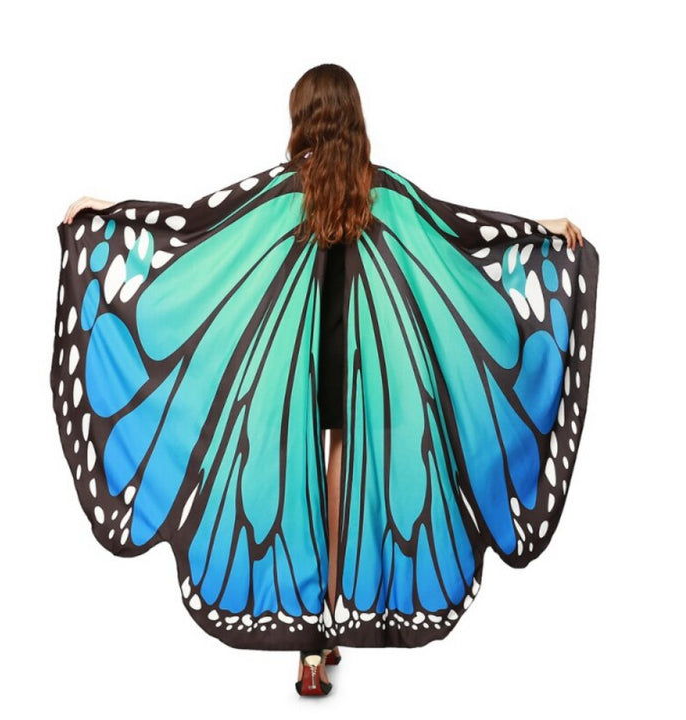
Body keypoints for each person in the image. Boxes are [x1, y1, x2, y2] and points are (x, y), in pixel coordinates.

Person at [57, 63, 595, 697]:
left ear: (304, 119)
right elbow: (463, 231)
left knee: (296, 479)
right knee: (343, 469)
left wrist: (110, 214)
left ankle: (310, 641)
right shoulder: (382, 190)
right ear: (354, 117)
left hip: (295, 363)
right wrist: (540, 233)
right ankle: (338, 613)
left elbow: (196, 223)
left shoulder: (285, 189)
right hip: (366, 363)